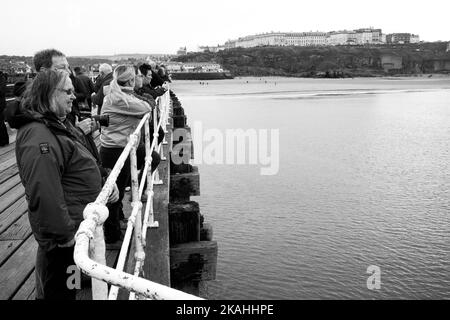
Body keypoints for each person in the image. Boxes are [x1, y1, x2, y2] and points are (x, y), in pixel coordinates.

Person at [15, 69, 118, 300]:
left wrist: (105, 181)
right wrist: (65, 237)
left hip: (74, 225)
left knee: (68, 288)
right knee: (59, 291)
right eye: (68, 92)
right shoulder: (40, 136)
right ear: (49, 94)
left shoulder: (57, 124)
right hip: (65, 236)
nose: (74, 96)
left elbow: (82, 160)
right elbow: (44, 192)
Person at [100, 65, 152, 243]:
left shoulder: (117, 95)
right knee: (115, 195)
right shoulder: (120, 99)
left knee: (118, 191)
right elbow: (146, 107)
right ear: (130, 80)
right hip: (115, 150)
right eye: (135, 77)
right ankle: (112, 236)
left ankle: (117, 222)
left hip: (116, 147)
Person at [0, 71, 9, 146]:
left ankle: (4, 141)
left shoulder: (2, 77)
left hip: (0, 104)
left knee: (1, 123)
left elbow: (2, 91)